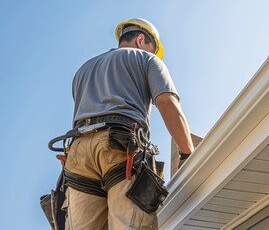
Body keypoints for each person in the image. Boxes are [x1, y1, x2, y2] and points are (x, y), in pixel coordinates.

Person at [62, 18, 194, 229]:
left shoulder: (84, 70)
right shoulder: (147, 60)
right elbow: (166, 102)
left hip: (78, 153)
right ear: (141, 40)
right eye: (151, 49)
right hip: (121, 146)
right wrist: (188, 154)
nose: (151, 53)